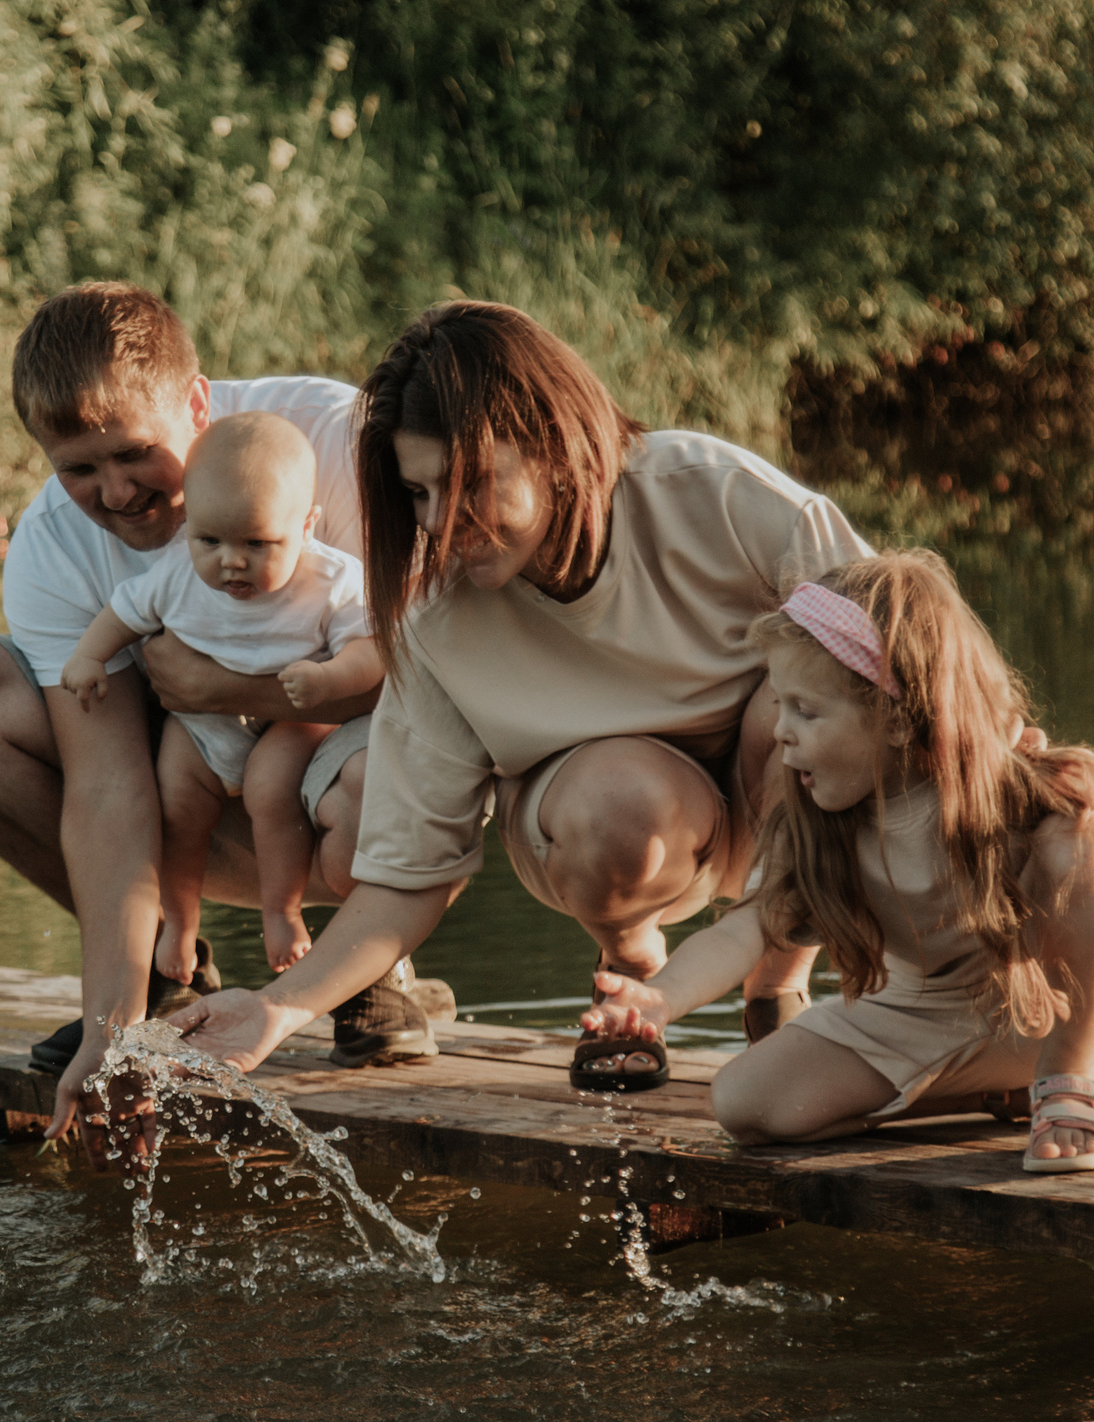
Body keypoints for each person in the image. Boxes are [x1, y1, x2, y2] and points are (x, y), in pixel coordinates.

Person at [171, 300, 872, 1079]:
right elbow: (404, 878)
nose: (440, 523)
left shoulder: (710, 492)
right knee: (618, 802)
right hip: (604, 817)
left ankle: (777, 985)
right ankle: (628, 973)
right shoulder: (437, 623)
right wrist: (277, 1007)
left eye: (467, 485)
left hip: (773, 789)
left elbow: (903, 649)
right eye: (419, 494)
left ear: (550, 444)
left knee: (818, 686)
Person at [0, 285, 447, 1142]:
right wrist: (111, 1030)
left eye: (134, 454)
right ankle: (165, 977)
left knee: (377, 776)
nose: (114, 493)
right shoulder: (53, 547)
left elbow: (440, 680)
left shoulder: (336, 444)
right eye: (77, 468)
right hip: (192, 789)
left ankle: (367, 965)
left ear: (195, 403)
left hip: (351, 776)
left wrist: (234, 692)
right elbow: (106, 788)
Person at [576, 549, 1094, 1170]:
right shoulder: (819, 822)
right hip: (927, 1013)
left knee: (1082, 843)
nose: (780, 730)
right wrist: (658, 999)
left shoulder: (1021, 782)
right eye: (782, 704)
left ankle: (1070, 1078)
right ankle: (991, 1092)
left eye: (806, 710)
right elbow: (744, 930)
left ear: (895, 720)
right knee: (745, 1103)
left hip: (1075, 998)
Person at [60, 412, 382, 976]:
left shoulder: (334, 581)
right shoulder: (178, 572)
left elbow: (370, 651)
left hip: (293, 716)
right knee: (177, 800)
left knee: (270, 790)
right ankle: (180, 925)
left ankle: (281, 913)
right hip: (206, 719)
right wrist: (90, 656)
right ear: (190, 528)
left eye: (258, 543)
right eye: (210, 539)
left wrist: (329, 678)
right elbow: (125, 613)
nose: (231, 561)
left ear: (306, 526)